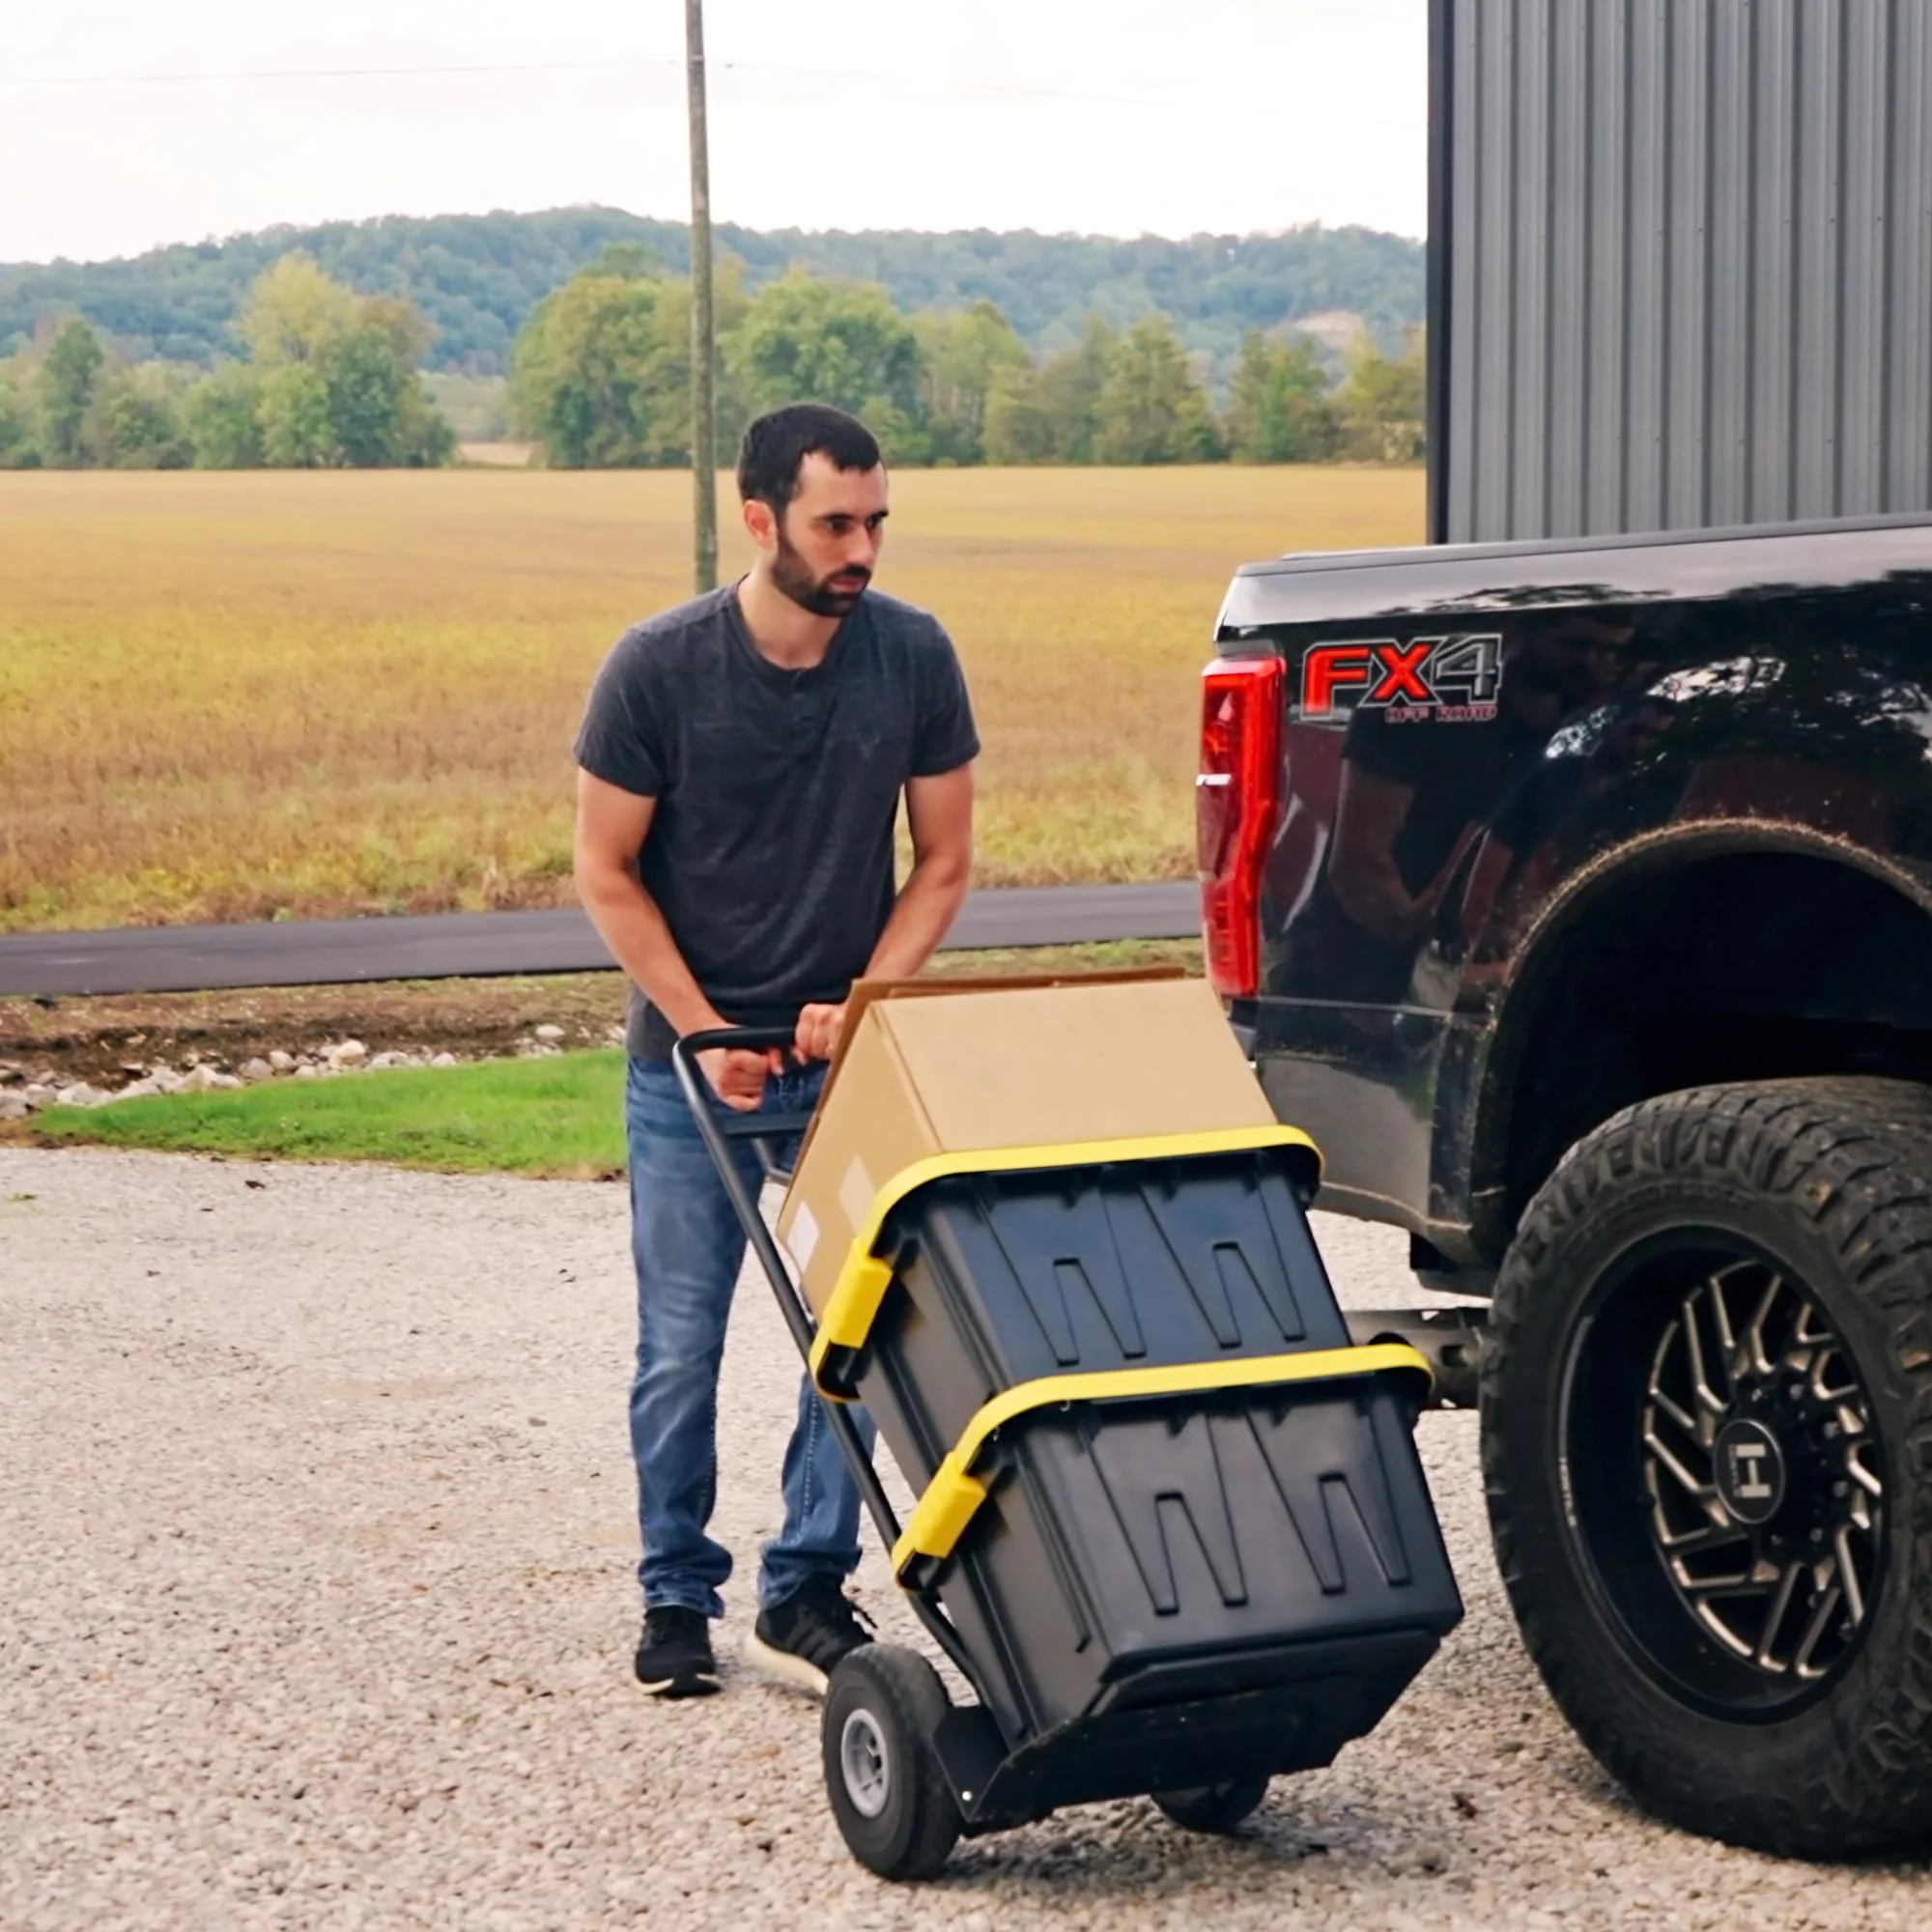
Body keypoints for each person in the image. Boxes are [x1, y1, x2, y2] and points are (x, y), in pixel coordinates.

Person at [571, 403, 980, 1700]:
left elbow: (946, 863)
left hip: (837, 1072)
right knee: (681, 1341)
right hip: (691, 1072)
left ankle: (804, 1589)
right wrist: (704, 1034)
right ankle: (674, 1596)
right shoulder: (656, 668)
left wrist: (867, 999)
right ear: (762, 521)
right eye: (835, 525)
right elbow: (607, 872)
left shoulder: (912, 657)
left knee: (852, 1335)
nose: (862, 549)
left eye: (876, 523)